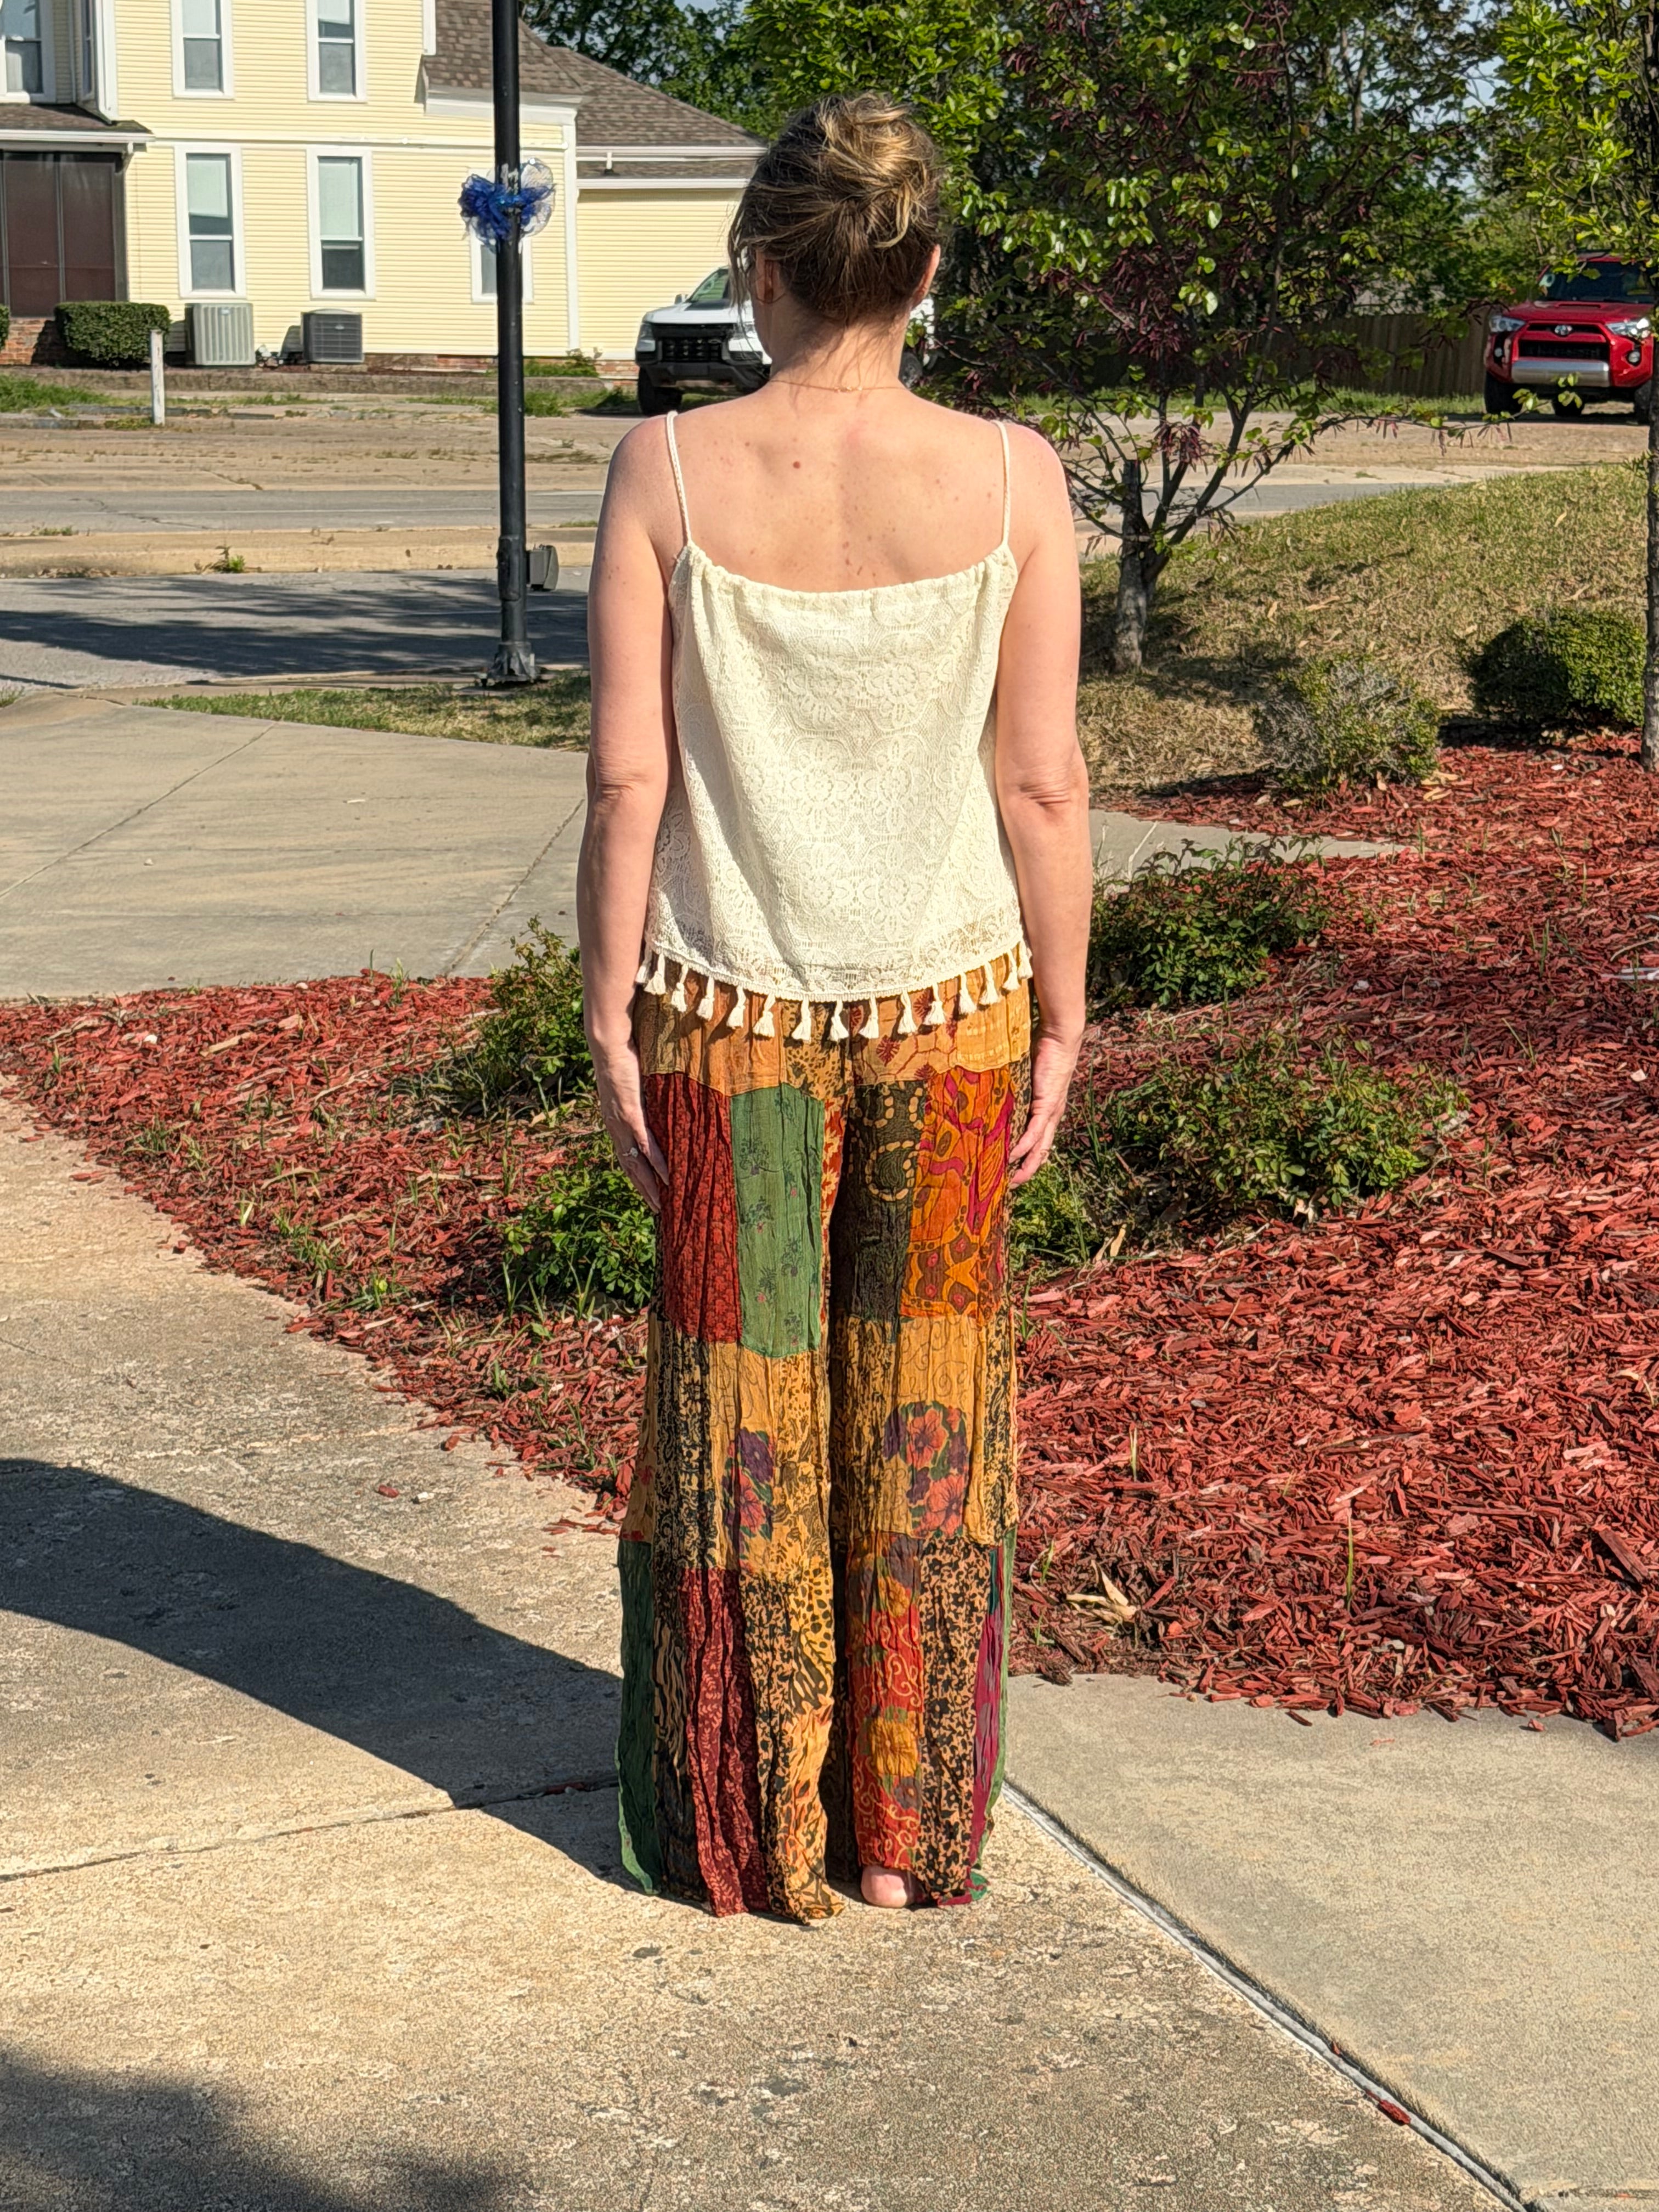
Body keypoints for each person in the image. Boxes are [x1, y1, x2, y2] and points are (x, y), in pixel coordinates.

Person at [577, 92, 1091, 1921]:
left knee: (745, 1419)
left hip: (731, 1018)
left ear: (761, 267)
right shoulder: (1016, 478)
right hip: (955, 1007)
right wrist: (1065, 1017)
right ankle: (904, 1835)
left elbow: (627, 783)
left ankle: (748, 1829)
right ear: (926, 270)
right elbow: (1043, 785)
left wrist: (605, 1010)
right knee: (928, 1412)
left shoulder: (668, 471)